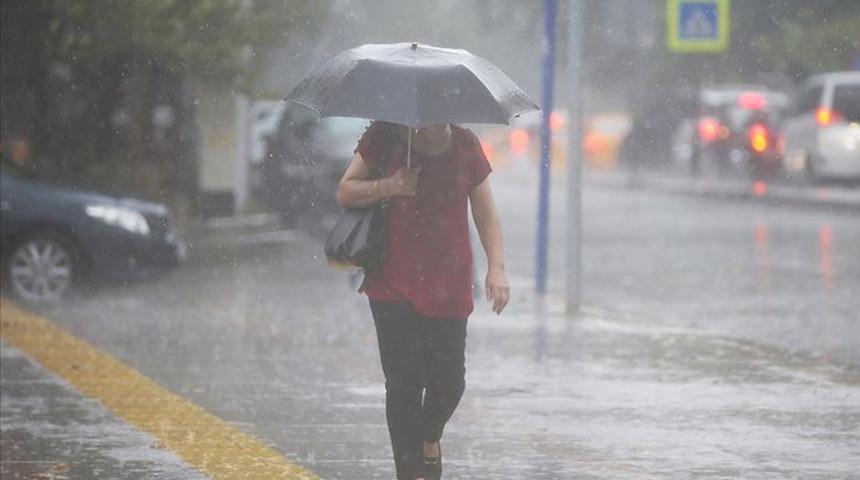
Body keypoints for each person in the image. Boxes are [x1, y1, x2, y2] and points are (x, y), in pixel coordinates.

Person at [337, 121, 509, 480]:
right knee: (404, 384)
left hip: (450, 280)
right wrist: (390, 185)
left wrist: (497, 268)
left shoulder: (465, 144)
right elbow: (346, 191)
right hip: (392, 280)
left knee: (450, 381)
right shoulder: (384, 136)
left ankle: (430, 436)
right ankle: (410, 472)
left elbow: (485, 211)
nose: (433, 119)